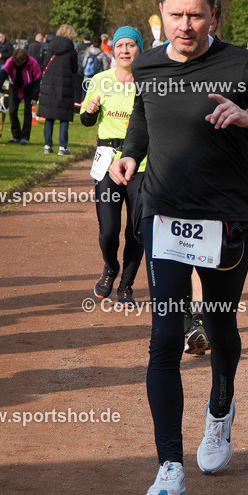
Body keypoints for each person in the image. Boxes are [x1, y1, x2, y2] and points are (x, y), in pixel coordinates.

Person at [109, 0, 248, 495]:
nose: (186, 25)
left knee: (220, 327)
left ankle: (221, 407)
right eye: (176, 14)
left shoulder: (242, 64)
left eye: (197, 14)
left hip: (226, 221)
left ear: (214, 16)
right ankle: (169, 467)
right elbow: (145, 121)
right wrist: (131, 153)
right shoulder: (147, 64)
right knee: (165, 339)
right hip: (164, 216)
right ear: (162, 14)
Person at [82, 26, 147, 305]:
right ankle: (110, 269)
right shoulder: (100, 80)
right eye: (119, 46)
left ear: (139, 50)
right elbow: (85, 119)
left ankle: (126, 286)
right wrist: (91, 110)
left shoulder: (150, 82)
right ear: (113, 50)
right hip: (108, 160)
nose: (124, 50)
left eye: (131, 45)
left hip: (142, 162)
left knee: (136, 229)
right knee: (109, 229)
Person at [37, 24, 78, 155]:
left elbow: (45, 64)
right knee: (64, 116)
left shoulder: (51, 46)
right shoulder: (71, 49)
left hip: (50, 83)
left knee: (49, 116)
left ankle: (47, 145)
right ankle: (63, 146)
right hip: (64, 84)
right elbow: (75, 68)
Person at [0, 49, 42, 144]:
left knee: (27, 113)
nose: (17, 63)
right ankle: (16, 135)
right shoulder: (10, 62)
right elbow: (2, 75)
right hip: (15, 88)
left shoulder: (33, 63)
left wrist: (34, 97)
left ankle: (25, 137)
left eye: (19, 62)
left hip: (29, 87)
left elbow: (37, 80)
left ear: (24, 60)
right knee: (12, 111)